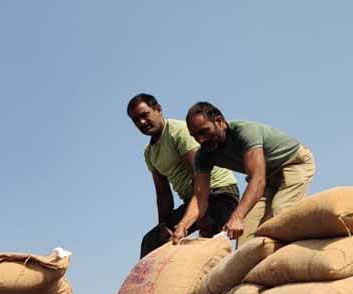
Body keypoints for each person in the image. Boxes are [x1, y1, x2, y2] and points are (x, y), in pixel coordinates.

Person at [171, 101, 316, 243]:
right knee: (245, 235)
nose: (201, 140)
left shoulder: (245, 132)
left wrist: (237, 216)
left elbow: (257, 180)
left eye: (204, 131)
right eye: (195, 136)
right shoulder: (203, 156)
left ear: (219, 121)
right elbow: (199, 199)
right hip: (267, 177)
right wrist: (183, 225)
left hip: (292, 163)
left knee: (278, 214)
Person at [127, 93, 241, 257]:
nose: (142, 122)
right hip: (192, 202)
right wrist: (163, 225)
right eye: (136, 120)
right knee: (151, 241)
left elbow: (199, 175)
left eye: (144, 115)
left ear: (158, 110)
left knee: (210, 248)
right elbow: (163, 193)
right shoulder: (149, 153)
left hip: (217, 194)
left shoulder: (178, 132)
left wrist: (196, 216)